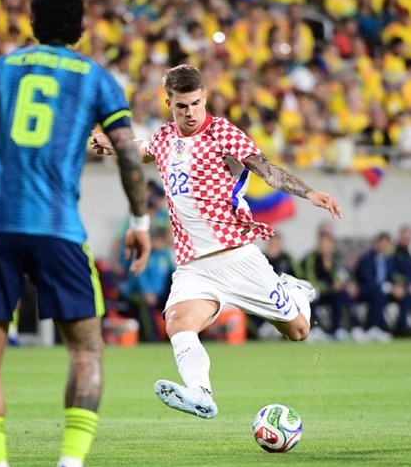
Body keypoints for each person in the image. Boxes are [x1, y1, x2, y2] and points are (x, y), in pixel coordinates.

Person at [0, 0, 150, 467]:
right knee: (87, 350)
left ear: (32, 24)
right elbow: (128, 154)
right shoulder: (96, 78)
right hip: (58, 228)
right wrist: (140, 221)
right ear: (81, 28)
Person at [91, 63, 342, 419]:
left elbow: (267, 170)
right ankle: (200, 393)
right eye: (181, 106)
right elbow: (143, 148)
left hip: (237, 257)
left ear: (205, 97)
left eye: (196, 103)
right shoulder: (165, 138)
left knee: (299, 331)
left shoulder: (222, 132)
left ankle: (295, 291)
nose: (190, 112)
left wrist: (310, 192)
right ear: (169, 103)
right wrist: (112, 143)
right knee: (178, 323)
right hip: (194, 267)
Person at [301, 224, 355, 341]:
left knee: (342, 295)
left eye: (328, 241)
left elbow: (343, 276)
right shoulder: (311, 258)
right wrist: (328, 286)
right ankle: (315, 329)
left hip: (332, 293)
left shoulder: (337, 257)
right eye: (323, 241)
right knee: (312, 295)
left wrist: (330, 269)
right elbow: (310, 280)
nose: (326, 245)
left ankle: (341, 329)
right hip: (319, 292)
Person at [353, 232, 397, 343]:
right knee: (378, 292)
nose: (383, 247)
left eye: (386, 244)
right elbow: (366, 278)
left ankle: (398, 329)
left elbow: (393, 277)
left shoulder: (390, 260)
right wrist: (384, 287)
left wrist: (395, 287)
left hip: (384, 292)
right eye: (381, 244)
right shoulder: (366, 258)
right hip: (366, 290)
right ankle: (373, 327)